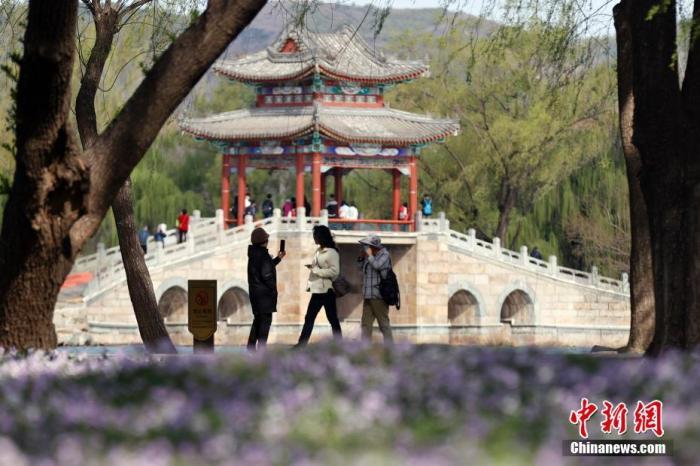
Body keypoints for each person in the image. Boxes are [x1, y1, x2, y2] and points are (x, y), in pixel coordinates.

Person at [296, 225, 342, 346]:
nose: (314, 238)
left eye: (315, 236)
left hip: (327, 290)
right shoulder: (318, 251)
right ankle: (301, 344)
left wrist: (316, 270)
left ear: (321, 237)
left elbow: (335, 272)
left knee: (332, 319)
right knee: (309, 318)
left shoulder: (332, 252)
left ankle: (340, 344)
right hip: (317, 289)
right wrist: (313, 268)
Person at [247, 227, 286, 351]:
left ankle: (251, 347)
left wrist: (278, 259)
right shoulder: (263, 255)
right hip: (264, 296)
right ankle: (261, 350)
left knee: (258, 321)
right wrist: (272, 288)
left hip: (255, 295)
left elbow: (264, 268)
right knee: (265, 323)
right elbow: (266, 274)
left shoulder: (254, 254)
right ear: (264, 241)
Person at [357, 235, 393, 344]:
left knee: (383, 323)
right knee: (365, 324)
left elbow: (377, 266)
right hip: (368, 295)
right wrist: (361, 258)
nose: (365, 248)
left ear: (373, 246)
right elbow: (360, 269)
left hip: (379, 295)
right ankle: (365, 347)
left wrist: (369, 255)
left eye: (367, 246)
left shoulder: (384, 255)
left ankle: (390, 347)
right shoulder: (369, 257)